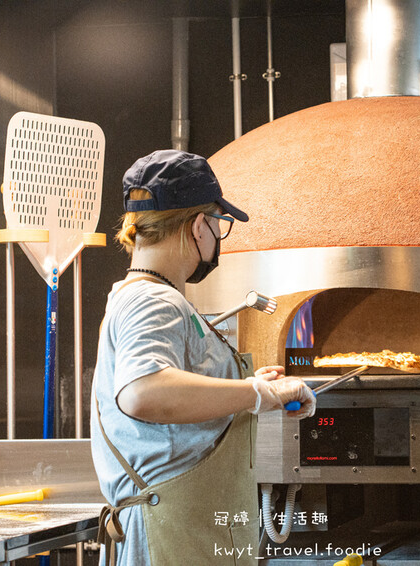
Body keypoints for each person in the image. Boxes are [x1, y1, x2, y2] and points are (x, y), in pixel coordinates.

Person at [90, 150, 316, 566]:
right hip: (171, 535)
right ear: (198, 226)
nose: (216, 236)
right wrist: (255, 393)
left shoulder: (152, 297)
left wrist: (250, 386)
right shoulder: (151, 300)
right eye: (218, 224)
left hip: (187, 530)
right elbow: (143, 392)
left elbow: (173, 388)